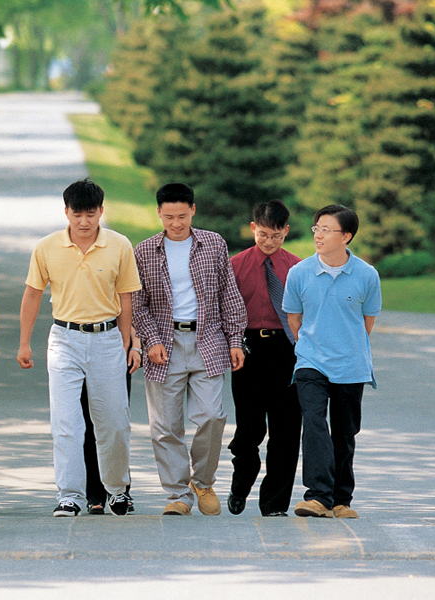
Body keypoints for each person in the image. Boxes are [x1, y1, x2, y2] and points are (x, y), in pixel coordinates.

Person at [17, 178, 141, 518]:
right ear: (66, 212)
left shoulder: (119, 245)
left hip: (107, 338)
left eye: (90, 214)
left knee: (113, 422)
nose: (84, 222)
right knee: (67, 421)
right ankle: (69, 495)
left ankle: (117, 491)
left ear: (101, 211)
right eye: (77, 214)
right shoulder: (47, 247)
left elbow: (127, 298)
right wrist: (24, 343)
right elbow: (32, 294)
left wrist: (129, 342)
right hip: (64, 339)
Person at [132, 183, 247, 517]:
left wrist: (236, 340)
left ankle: (203, 480)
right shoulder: (144, 251)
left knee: (213, 415)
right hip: (163, 345)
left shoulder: (213, 244)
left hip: (207, 340)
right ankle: (178, 494)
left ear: (193, 210)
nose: (176, 223)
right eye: (169, 217)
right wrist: (150, 340)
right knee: (165, 426)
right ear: (159, 213)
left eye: (182, 216)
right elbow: (138, 304)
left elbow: (229, 294)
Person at [283, 204, 381, 519]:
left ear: (346, 236)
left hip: (351, 365)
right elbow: (294, 319)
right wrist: (312, 345)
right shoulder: (299, 273)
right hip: (311, 361)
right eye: (317, 229)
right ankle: (317, 497)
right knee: (313, 423)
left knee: (344, 432)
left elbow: (367, 322)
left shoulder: (367, 275)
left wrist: (345, 345)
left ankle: (341, 500)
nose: (319, 235)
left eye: (327, 230)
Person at [227, 201, 302, 517]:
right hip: (248, 350)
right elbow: (227, 312)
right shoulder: (236, 265)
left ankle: (274, 503)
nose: (269, 242)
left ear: (286, 231)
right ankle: (241, 480)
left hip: (287, 350)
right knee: (249, 427)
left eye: (276, 236)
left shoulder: (298, 269)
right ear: (252, 228)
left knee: (286, 430)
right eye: (262, 235)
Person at [82, 326, 141, 515]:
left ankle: (121, 489)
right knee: (89, 421)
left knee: (117, 422)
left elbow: (133, 306)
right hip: (78, 340)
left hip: (117, 340)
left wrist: (136, 346)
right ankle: (94, 493)